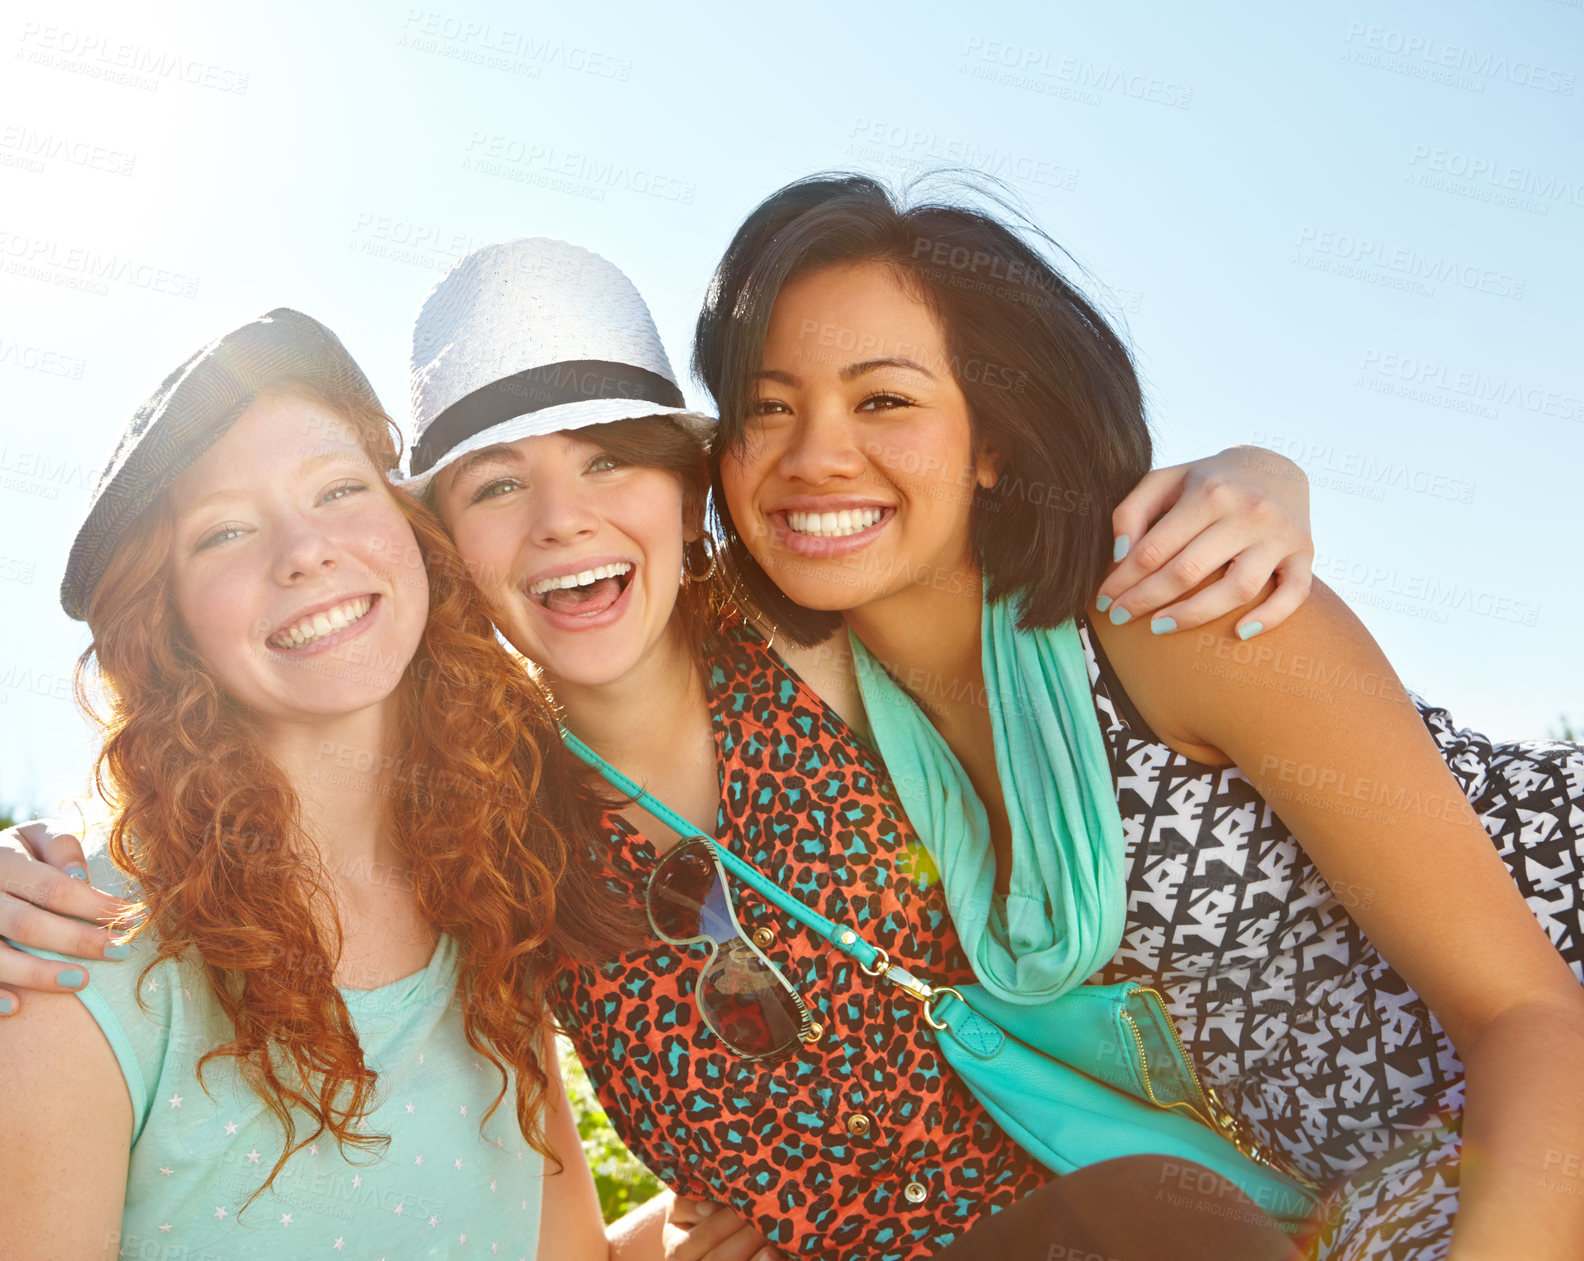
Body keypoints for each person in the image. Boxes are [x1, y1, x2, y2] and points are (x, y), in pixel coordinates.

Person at [0, 240, 1319, 1261]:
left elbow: (993, 508)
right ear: (445, 537)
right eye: (497, 483)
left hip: (1100, 1215)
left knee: (1163, 1217)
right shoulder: (494, 835)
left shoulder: (805, 640)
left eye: (612, 461)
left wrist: (1250, 473)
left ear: (692, 488)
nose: (564, 522)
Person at [685, 173, 1584, 1260]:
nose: (813, 453)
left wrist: (1267, 469)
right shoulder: (826, 731)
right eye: (767, 406)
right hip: (1374, 1187)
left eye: (884, 400)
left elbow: (1529, 1016)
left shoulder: (1167, 609)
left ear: (994, 441)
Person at [0, 311, 646, 1260]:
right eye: (225, 531)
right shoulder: (74, 953)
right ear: (167, 618)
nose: (304, 549)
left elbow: (564, 1252)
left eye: (340, 488)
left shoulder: (487, 901)